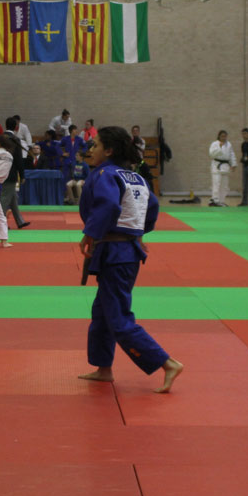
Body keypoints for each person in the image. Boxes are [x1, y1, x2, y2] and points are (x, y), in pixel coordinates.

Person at [76, 125, 182, 394]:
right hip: (126, 250)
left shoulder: (104, 174)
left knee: (118, 317)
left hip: (115, 252)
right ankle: (104, 368)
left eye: (96, 145)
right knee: (101, 313)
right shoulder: (135, 177)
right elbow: (152, 206)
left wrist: (90, 232)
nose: (91, 150)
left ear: (108, 150)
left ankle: (166, 363)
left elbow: (110, 206)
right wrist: (138, 232)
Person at [0, 132, 32, 231]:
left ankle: (20, 221)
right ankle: (0, 223)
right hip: (10, 175)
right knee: (5, 199)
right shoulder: (15, 140)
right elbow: (19, 161)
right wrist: (22, 175)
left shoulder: (2, 139)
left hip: (2, 173)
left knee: (13, 199)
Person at [208, 129, 235, 206]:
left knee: (225, 185)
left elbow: (231, 154)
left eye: (225, 136)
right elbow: (211, 154)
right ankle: (215, 200)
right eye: (222, 136)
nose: (224, 138)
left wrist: (233, 164)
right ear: (219, 136)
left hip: (225, 167)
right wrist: (219, 147)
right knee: (216, 184)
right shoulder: (215, 144)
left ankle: (222, 201)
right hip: (217, 166)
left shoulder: (229, 144)